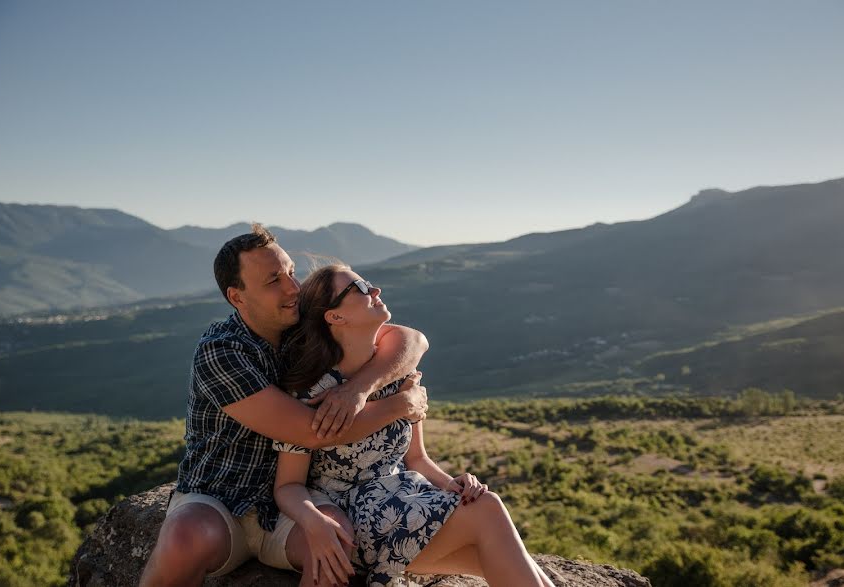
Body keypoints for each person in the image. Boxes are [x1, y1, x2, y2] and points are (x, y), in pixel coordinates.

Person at [140, 225, 430, 587]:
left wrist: (358, 388)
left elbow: (411, 339)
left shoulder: (302, 328)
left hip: (292, 506)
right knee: (184, 536)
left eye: (291, 271)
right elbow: (310, 432)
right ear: (238, 297)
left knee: (337, 549)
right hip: (220, 502)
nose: (293, 288)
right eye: (273, 280)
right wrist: (400, 404)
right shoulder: (223, 351)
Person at [273, 264, 555, 587]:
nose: (375, 290)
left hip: (408, 498)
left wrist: (454, 486)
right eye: (361, 289)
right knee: (489, 511)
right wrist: (315, 522)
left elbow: (417, 459)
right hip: (356, 517)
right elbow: (288, 486)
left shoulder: (399, 376)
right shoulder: (314, 390)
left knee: (501, 551)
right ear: (335, 317)